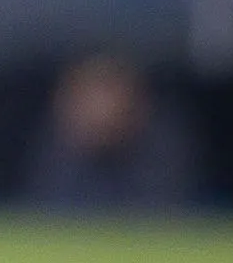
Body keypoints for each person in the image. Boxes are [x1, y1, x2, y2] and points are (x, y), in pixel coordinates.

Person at [26, 54, 194, 212]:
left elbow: (164, 214)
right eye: (91, 92)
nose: (101, 106)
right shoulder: (55, 156)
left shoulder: (163, 154)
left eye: (109, 90)